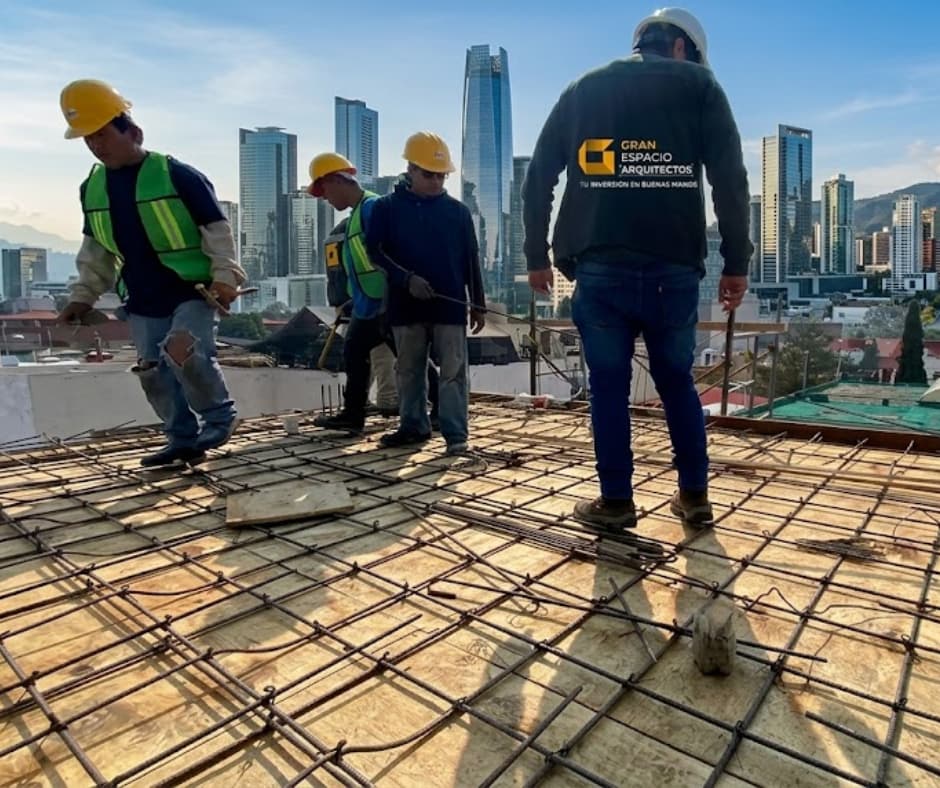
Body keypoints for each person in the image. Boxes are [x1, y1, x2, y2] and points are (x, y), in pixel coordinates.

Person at [523, 8, 752, 529]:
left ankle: (617, 502)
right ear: (680, 48)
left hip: (600, 269)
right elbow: (730, 180)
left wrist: (536, 256)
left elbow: (538, 176)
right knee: (677, 383)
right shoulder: (701, 86)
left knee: (607, 386)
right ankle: (694, 497)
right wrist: (736, 263)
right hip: (674, 271)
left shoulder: (583, 88)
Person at [56, 79, 245, 467]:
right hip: (141, 296)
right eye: (88, 138)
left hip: (191, 289)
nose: (96, 144)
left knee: (184, 351)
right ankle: (180, 439)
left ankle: (219, 418)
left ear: (133, 131)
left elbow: (218, 232)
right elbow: (95, 250)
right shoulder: (92, 188)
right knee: (152, 370)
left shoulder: (178, 175)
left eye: (103, 134)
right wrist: (82, 296)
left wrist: (226, 277)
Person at [366, 132, 486, 455]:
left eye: (440, 175)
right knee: (409, 371)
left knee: (453, 374)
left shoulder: (458, 213)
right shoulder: (386, 209)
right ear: (410, 170)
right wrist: (406, 279)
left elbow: (471, 259)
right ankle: (413, 426)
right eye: (428, 174)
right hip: (405, 306)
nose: (435, 181)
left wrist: (478, 304)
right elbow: (374, 252)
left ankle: (456, 437)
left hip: (449, 306)